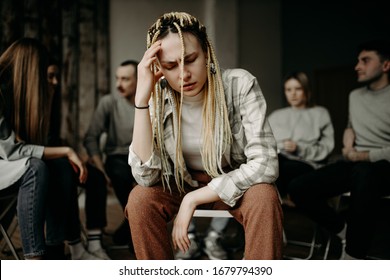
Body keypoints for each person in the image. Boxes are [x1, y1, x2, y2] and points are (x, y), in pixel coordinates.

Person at [126, 12, 283, 260]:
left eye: (190, 60)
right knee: (140, 200)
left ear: (207, 53)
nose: (183, 74)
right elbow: (145, 177)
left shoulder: (239, 84)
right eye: (170, 66)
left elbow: (266, 163)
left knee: (264, 196)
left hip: (232, 181)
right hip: (180, 182)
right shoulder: (157, 96)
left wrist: (193, 199)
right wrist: (141, 100)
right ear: (159, 68)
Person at [289, 39, 390, 259]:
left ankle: (353, 256)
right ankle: (344, 230)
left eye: (365, 61)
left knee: (365, 173)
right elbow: (351, 127)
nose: (357, 66)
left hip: (383, 166)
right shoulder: (355, 96)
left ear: (385, 65)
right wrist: (347, 144)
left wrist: (362, 155)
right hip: (355, 163)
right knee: (299, 187)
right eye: (357, 61)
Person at [0, 37, 98, 260]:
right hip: (8, 163)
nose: (52, 81)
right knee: (36, 168)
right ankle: (35, 260)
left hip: (7, 164)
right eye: (45, 73)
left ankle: (63, 248)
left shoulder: (20, 95)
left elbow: (28, 144)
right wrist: (66, 150)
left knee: (61, 166)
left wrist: (65, 154)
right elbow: (12, 151)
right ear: (31, 69)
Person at [47, 61, 110, 259]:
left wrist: (76, 156)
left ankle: (94, 242)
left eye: (57, 75)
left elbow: (54, 140)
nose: (56, 82)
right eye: (50, 76)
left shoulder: (53, 100)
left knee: (97, 177)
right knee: (65, 173)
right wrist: (67, 155)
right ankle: (74, 247)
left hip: (57, 156)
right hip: (38, 163)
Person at [83, 60, 138, 247]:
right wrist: (101, 170)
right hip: (117, 159)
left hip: (144, 158)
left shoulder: (151, 102)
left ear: (139, 80)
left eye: (125, 79)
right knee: (119, 172)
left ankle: (131, 228)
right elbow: (90, 137)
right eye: (117, 78)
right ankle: (136, 229)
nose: (118, 84)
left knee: (148, 188)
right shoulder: (109, 102)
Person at [268, 71, 334, 202]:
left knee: (279, 168)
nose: (293, 94)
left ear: (306, 90)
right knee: (267, 164)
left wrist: (299, 148)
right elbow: (264, 143)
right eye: (288, 89)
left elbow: (326, 149)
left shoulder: (320, 114)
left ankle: (275, 201)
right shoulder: (275, 116)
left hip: (307, 164)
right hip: (278, 160)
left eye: (298, 89)